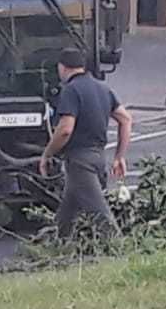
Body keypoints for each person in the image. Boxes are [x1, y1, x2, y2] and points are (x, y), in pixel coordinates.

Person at [40, 48, 132, 237]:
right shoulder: (102, 88)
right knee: (68, 211)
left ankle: (122, 252)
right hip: (98, 158)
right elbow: (125, 119)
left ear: (62, 68)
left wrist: (47, 154)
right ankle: (58, 243)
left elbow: (65, 129)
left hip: (80, 162)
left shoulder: (71, 90)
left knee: (101, 217)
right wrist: (119, 157)